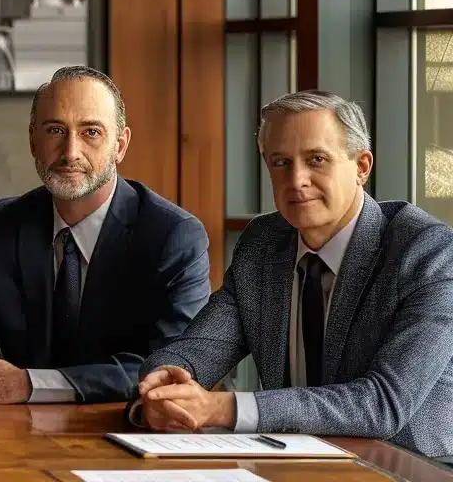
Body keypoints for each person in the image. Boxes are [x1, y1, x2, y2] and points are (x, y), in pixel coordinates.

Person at [133, 90, 453, 460]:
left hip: (409, 466)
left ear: (362, 166)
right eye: (281, 162)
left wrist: (223, 408)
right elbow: (200, 348)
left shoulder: (428, 252)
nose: (297, 179)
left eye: (316, 159)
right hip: (293, 461)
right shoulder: (265, 243)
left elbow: (381, 404)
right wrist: (166, 385)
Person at [0, 66, 212, 405]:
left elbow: (171, 369)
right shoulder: (4, 223)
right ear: (33, 140)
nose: (70, 152)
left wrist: (31, 384)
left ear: (120, 145)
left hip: (124, 434)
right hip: (11, 438)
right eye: (55, 130)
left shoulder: (173, 237)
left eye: (90, 132)